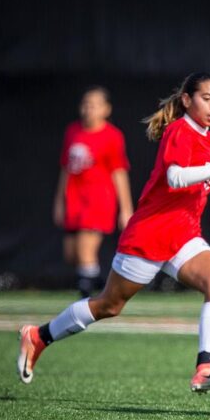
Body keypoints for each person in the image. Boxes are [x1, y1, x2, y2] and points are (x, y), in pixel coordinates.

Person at [17, 72, 210, 393]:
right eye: (206, 98)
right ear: (187, 100)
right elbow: (174, 178)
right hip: (150, 234)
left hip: (183, 234)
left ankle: (204, 368)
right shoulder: (179, 131)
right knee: (109, 305)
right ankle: (38, 337)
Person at [54, 87, 134, 297]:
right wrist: (59, 201)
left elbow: (119, 173)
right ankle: (99, 282)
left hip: (99, 200)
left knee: (85, 251)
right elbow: (66, 168)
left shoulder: (112, 136)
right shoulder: (73, 131)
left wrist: (126, 209)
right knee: (71, 255)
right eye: (86, 104)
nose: (89, 109)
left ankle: (87, 302)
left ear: (106, 109)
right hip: (74, 199)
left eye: (95, 105)